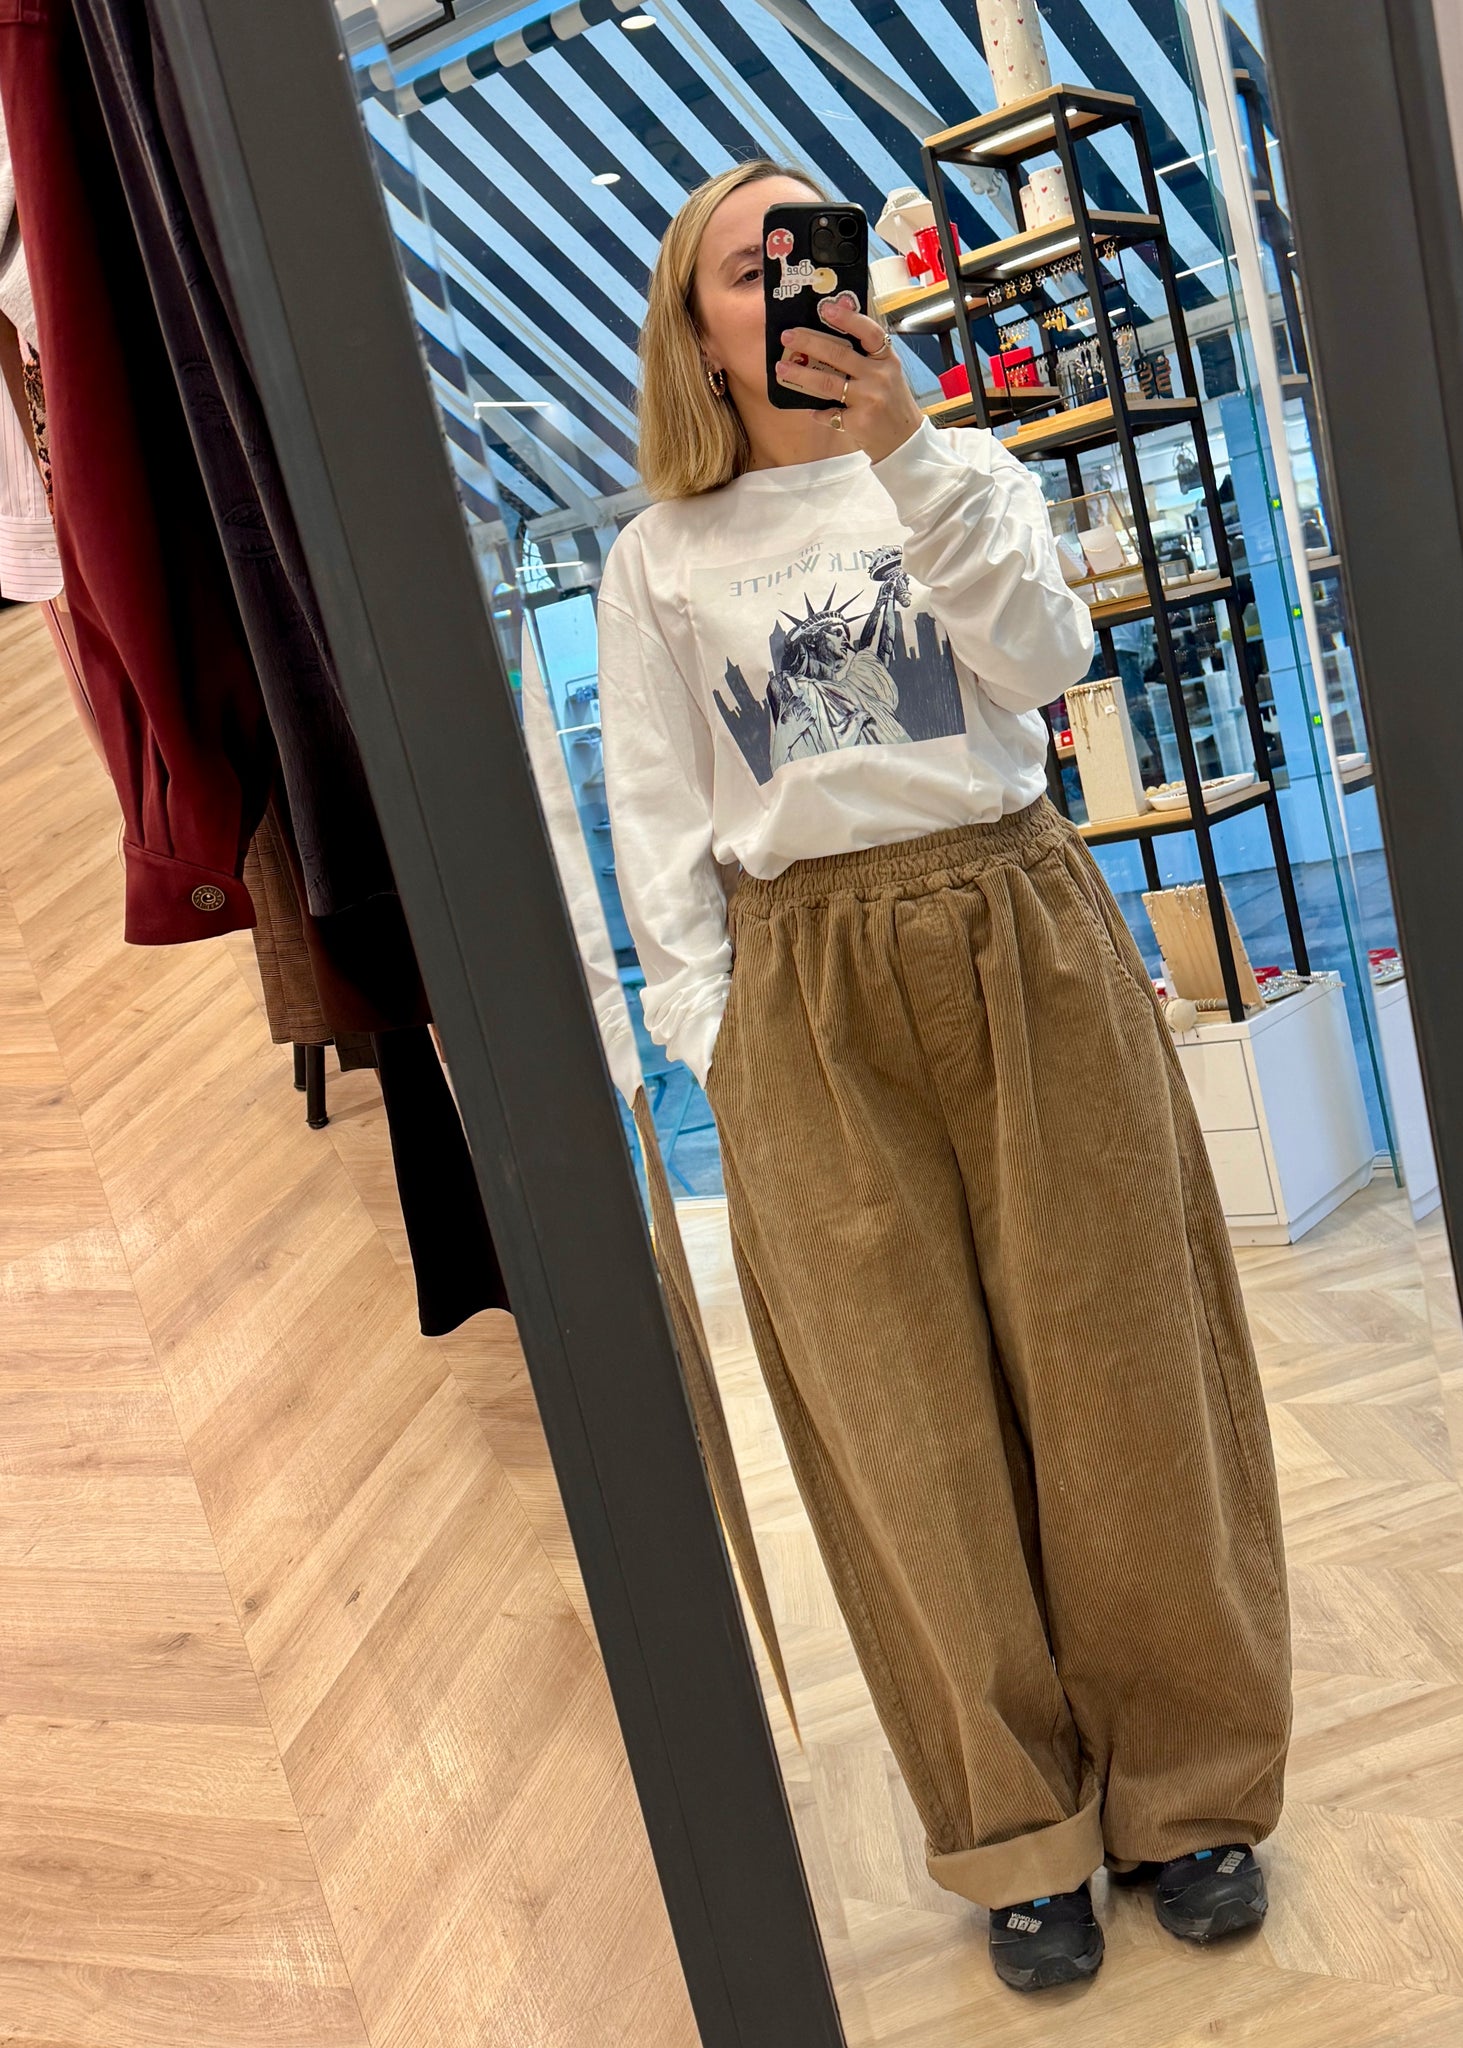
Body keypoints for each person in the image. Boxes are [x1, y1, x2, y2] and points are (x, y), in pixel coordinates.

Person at [595, 158, 1291, 1994]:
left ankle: (1189, 1795)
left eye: (816, 247)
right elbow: (656, 816)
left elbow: (1046, 659)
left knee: (1123, 1368)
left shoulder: (963, 469)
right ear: (698, 329)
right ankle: (1014, 1832)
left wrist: (905, 447)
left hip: (1019, 922)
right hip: (804, 981)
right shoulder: (657, 558)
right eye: (750, 264)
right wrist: (711, 1032)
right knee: (904, 1425)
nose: (794, 280)